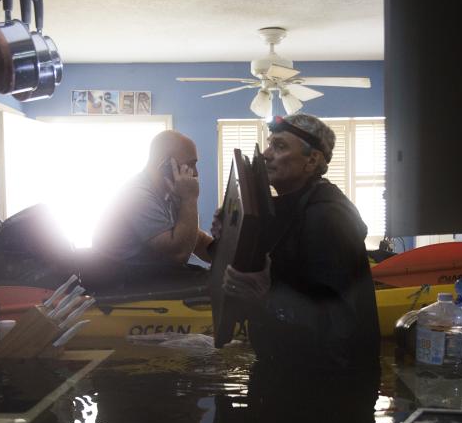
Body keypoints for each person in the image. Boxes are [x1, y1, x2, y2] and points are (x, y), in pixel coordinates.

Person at [221, 113, 380, 370]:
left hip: (325, 388)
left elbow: (338, 322)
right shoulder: (288, 210)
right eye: (270, 144)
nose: (266, 154)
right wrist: (229, 237)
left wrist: (265, 299)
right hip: (285, 371)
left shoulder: (327, 217)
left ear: (312, 160)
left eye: (280, 146)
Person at [93, 130, 213, 267]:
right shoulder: (138, 195)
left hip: (144, 274)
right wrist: (190, 199)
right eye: (190, 164)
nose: (195, 173)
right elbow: (178, 255)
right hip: (123, 282)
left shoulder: (168, 192)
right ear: (166, 166)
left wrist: (226, 257)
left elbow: (193, 238)